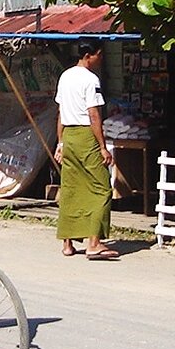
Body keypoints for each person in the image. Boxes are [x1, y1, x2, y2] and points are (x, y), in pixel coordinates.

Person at [54, 39, 118, 260]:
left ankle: (67, 243)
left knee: (71, 187)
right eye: (100, 55)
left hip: (69, 136)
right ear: (91, 54)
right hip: (85, 135)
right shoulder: (91, 80)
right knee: (102, 188)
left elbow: (61, 112)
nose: (101, 59)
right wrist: (102, 147)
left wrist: (60, 143)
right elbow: (93, 114)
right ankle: (94, 242)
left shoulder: (65, 76)